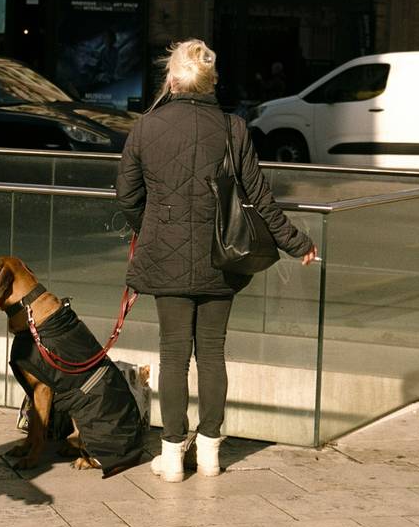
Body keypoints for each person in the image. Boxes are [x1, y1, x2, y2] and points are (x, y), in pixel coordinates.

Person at [115, 39, 317, 483]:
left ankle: (170, 458)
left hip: (165, 256)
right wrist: (296, 242)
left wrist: (151, 226)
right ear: (211, 82)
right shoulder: (233, 127)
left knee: (173, 356)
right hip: (221, 257)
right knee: (211, 354)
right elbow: (260, 200)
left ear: (171, 79)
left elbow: (127, 195)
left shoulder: (145, 129)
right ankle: (208, 453)